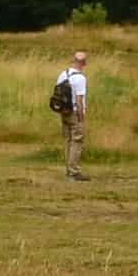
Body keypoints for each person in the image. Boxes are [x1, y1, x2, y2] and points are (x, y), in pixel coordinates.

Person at [51, 49, 89, 180]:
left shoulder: (63, 74)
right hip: (74, 112)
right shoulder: (80, 78)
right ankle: (74, 171)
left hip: (63, 111)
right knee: (77, 141)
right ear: (83, 63)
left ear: (73, 60)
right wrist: (81, 117)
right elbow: (79, 100)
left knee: (67, 140)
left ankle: (68, 169)